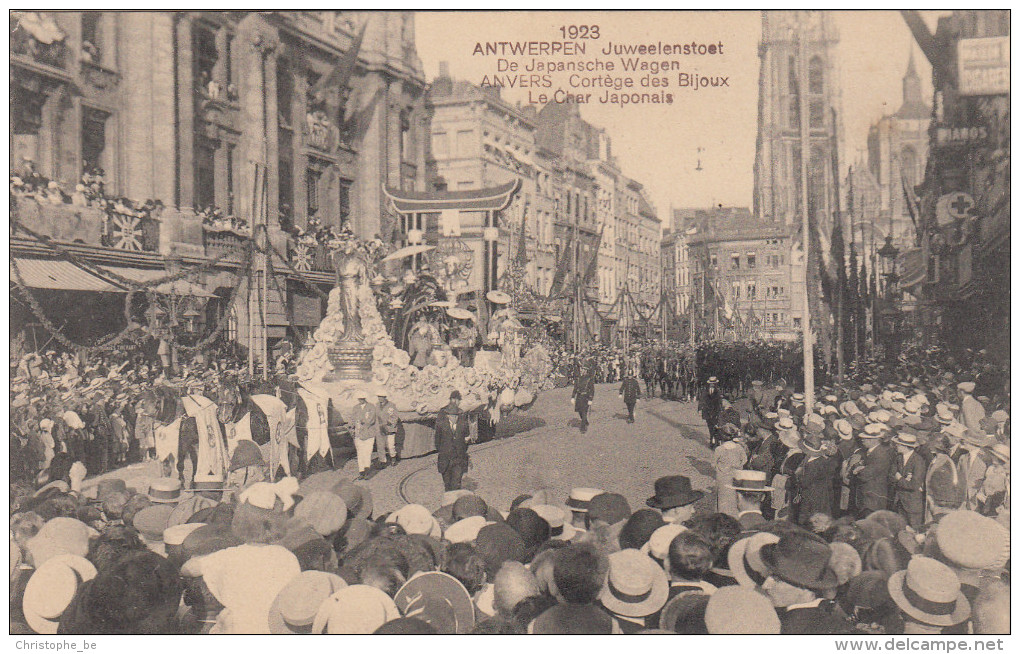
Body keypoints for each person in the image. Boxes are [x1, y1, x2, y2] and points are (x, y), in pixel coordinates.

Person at [890, 433, 927, 529]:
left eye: (898, 444)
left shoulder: (918, 461)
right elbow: (890, 476)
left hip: (912, 505)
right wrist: (904, 480)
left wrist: (899, 478)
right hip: (899, 502)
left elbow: (913, 485)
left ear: (905, 446)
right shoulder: (898, 458)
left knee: (914, 531)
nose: (896, 446)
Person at [436, 391, 470, 491]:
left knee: (456, 484)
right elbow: (437, 440)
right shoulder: (442, 419)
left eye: (456, 416)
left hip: (458, 459)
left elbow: (466, 440)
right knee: (447, 485)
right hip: (445, 459)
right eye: (451, 416)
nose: (454, 418)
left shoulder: (462, 423)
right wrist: (443, 450)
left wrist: (461, 450)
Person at [350, 391, 378, 480]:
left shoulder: (371, 407)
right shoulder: (355, 408)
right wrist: (351, 426)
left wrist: (362, 421)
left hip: (369, 433)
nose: (360, 400)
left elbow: (371, 420)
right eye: (359, 399)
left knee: (367, 452)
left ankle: (367, 471)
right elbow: (352, 419)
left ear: (365, 398)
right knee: (360, 453)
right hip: (358, 434)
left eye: (362, 399)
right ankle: (361, 471)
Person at [375, 390, 399, 468]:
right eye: (378, 397)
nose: (379, 398)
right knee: (380, 445)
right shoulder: (377, 405)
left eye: (381, 397)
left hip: (389, 428)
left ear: (385, 397)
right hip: (380, 428)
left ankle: (393, 457)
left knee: (390, 445)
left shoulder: (391, 405)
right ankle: (382, 461)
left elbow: (394, 417)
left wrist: (387, 423)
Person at [699, 377, 723, 447]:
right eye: (711, 384)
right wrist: (700, 408)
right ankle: (711, 438)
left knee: (716, 426)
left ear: (715, 384)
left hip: (715, 411)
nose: (712, 385)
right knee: (709, 426)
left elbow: (720, 402)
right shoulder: (705, 391)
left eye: (713, 384)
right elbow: (701, 399)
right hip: (707, 411)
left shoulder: (718, 391)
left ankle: (717, 440)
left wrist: (720, 410)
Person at [571, 364, 595, 434]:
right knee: (580, 412)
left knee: (584, 412)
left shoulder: (589, 379)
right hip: (579, 396)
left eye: (584, 369)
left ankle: (583, 427)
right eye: (581, 369)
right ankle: (585, 421)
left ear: (586, 371)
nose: (582, 371)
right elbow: (575, 388)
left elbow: (592, 390)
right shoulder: (578, 378)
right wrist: (572, 397)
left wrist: (590, 399)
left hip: (586, 397)